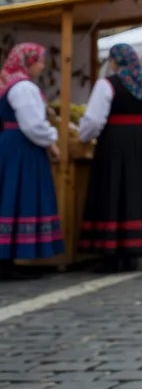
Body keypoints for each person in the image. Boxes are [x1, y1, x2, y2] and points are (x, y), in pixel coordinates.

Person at [77, 43, 142, 272]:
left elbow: (95, 120)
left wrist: (84, 137)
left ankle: (112, 253)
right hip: (139, 143)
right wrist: (140, 136)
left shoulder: (107, 84)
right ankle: (133, 251)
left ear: (115, 62)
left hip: (114, 143)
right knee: (136, 192)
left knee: (112, 190)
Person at [0, 43, 63, 280]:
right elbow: (33, 124)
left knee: (9, 198)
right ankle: (9, 260)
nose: (42, 65)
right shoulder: (23, 87)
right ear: (28, 61)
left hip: (10, 144)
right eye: (39, 60)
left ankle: (8, 258)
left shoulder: (8, 83)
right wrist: (52, 142)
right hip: (22, 148)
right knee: (19, 197)